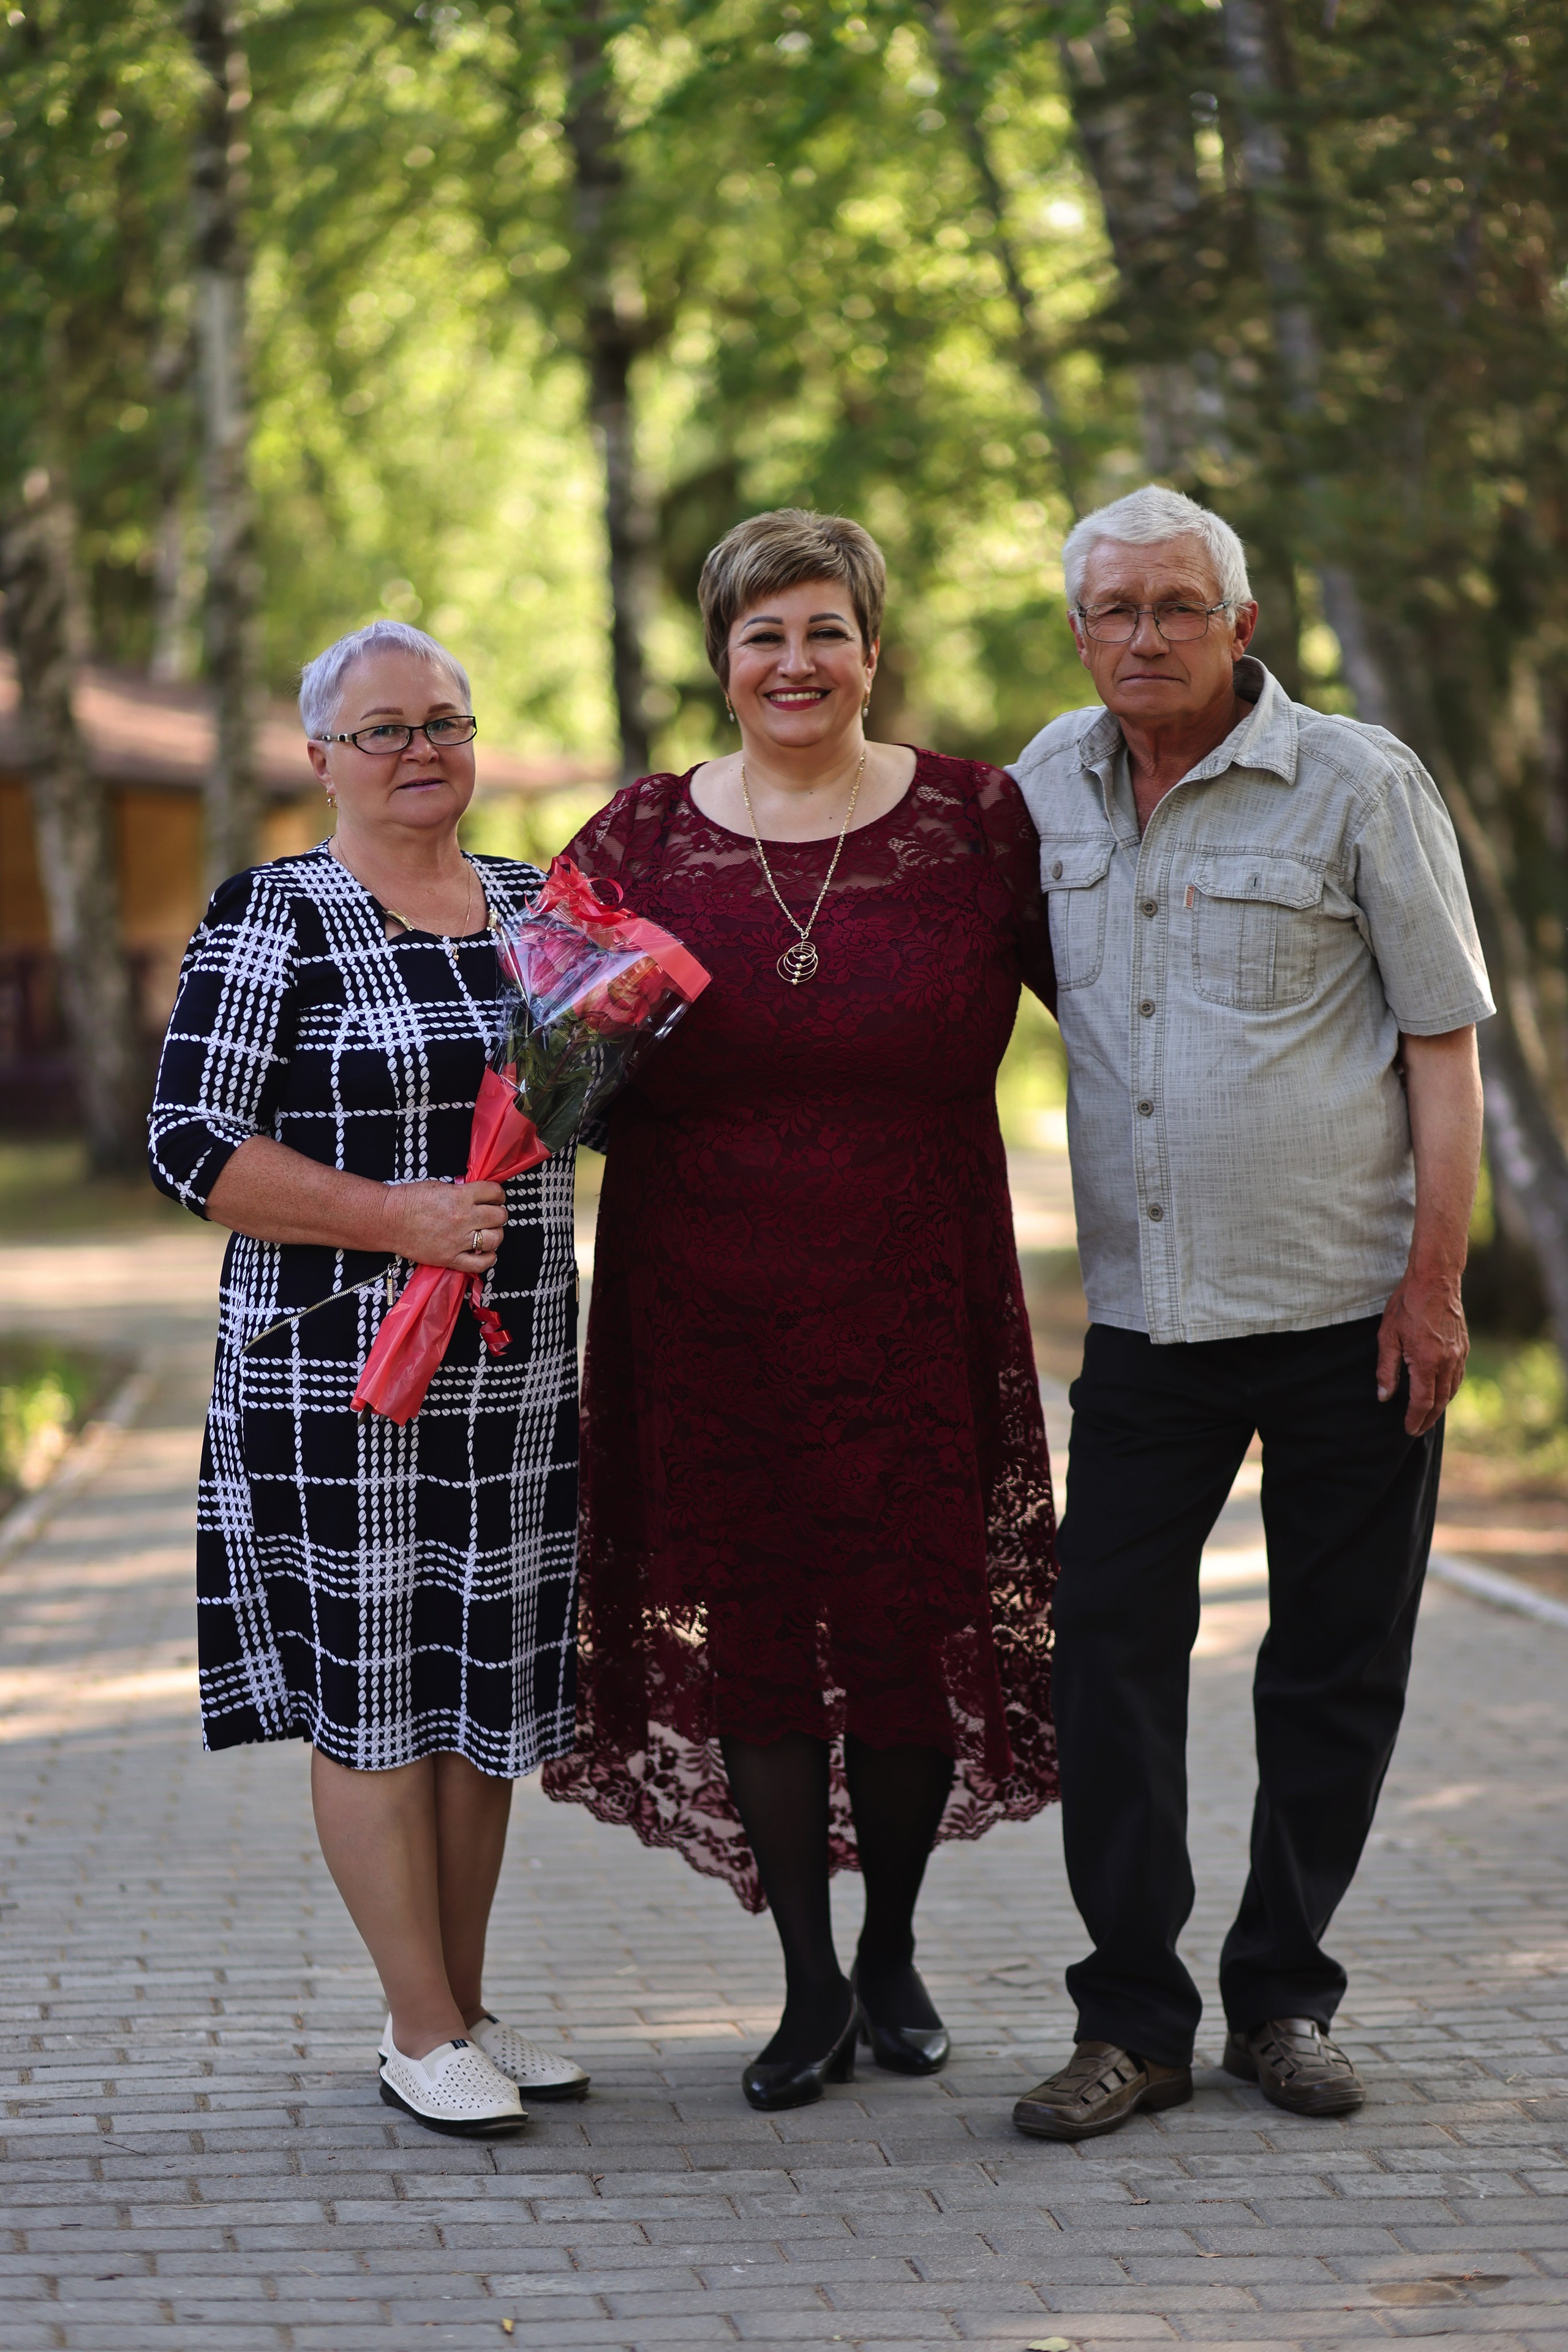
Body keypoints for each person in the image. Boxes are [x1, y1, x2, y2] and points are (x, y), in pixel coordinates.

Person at [540, 510, 1059, 2109]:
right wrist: (565, 1037)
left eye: (825, 629)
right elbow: (544, 1092)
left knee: (908, 1624)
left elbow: (1123, 1011)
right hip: (701, 1314)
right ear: (722, 659)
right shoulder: (635, 840)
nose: (795, 662)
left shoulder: (978, 822)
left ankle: (890, 1949)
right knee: (755, 1631)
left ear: (872, 649)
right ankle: (811, 1985)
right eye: (762, 634)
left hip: (916, 1298)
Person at [1005, 486, 1493, 2140]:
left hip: (1352, 1309)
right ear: (1078, 631)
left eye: (1176, 606)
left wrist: (1435, 1283)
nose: (1143, 635)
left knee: (1333, 1666)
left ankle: (1285, 2000)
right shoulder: (1043, 784)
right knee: (1104, 1654)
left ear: (1241, 624)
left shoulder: (1357, 782)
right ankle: (1131, 2020)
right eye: (1113, 609)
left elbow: (1441, 1041)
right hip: (1149, 1322)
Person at [148, 619, 589, 2138]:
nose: (421, 751)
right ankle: (416, 2026)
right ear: (321, 758)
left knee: (484, 1698)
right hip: (338, 1374)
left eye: (444, 723)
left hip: (513, 1370)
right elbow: (189, 1144)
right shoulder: (274, 913)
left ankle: (462, 2008)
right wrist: (395, 1218)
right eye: (385, 729)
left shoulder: (538, 909)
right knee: (378, 1698)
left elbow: (592, 1108)